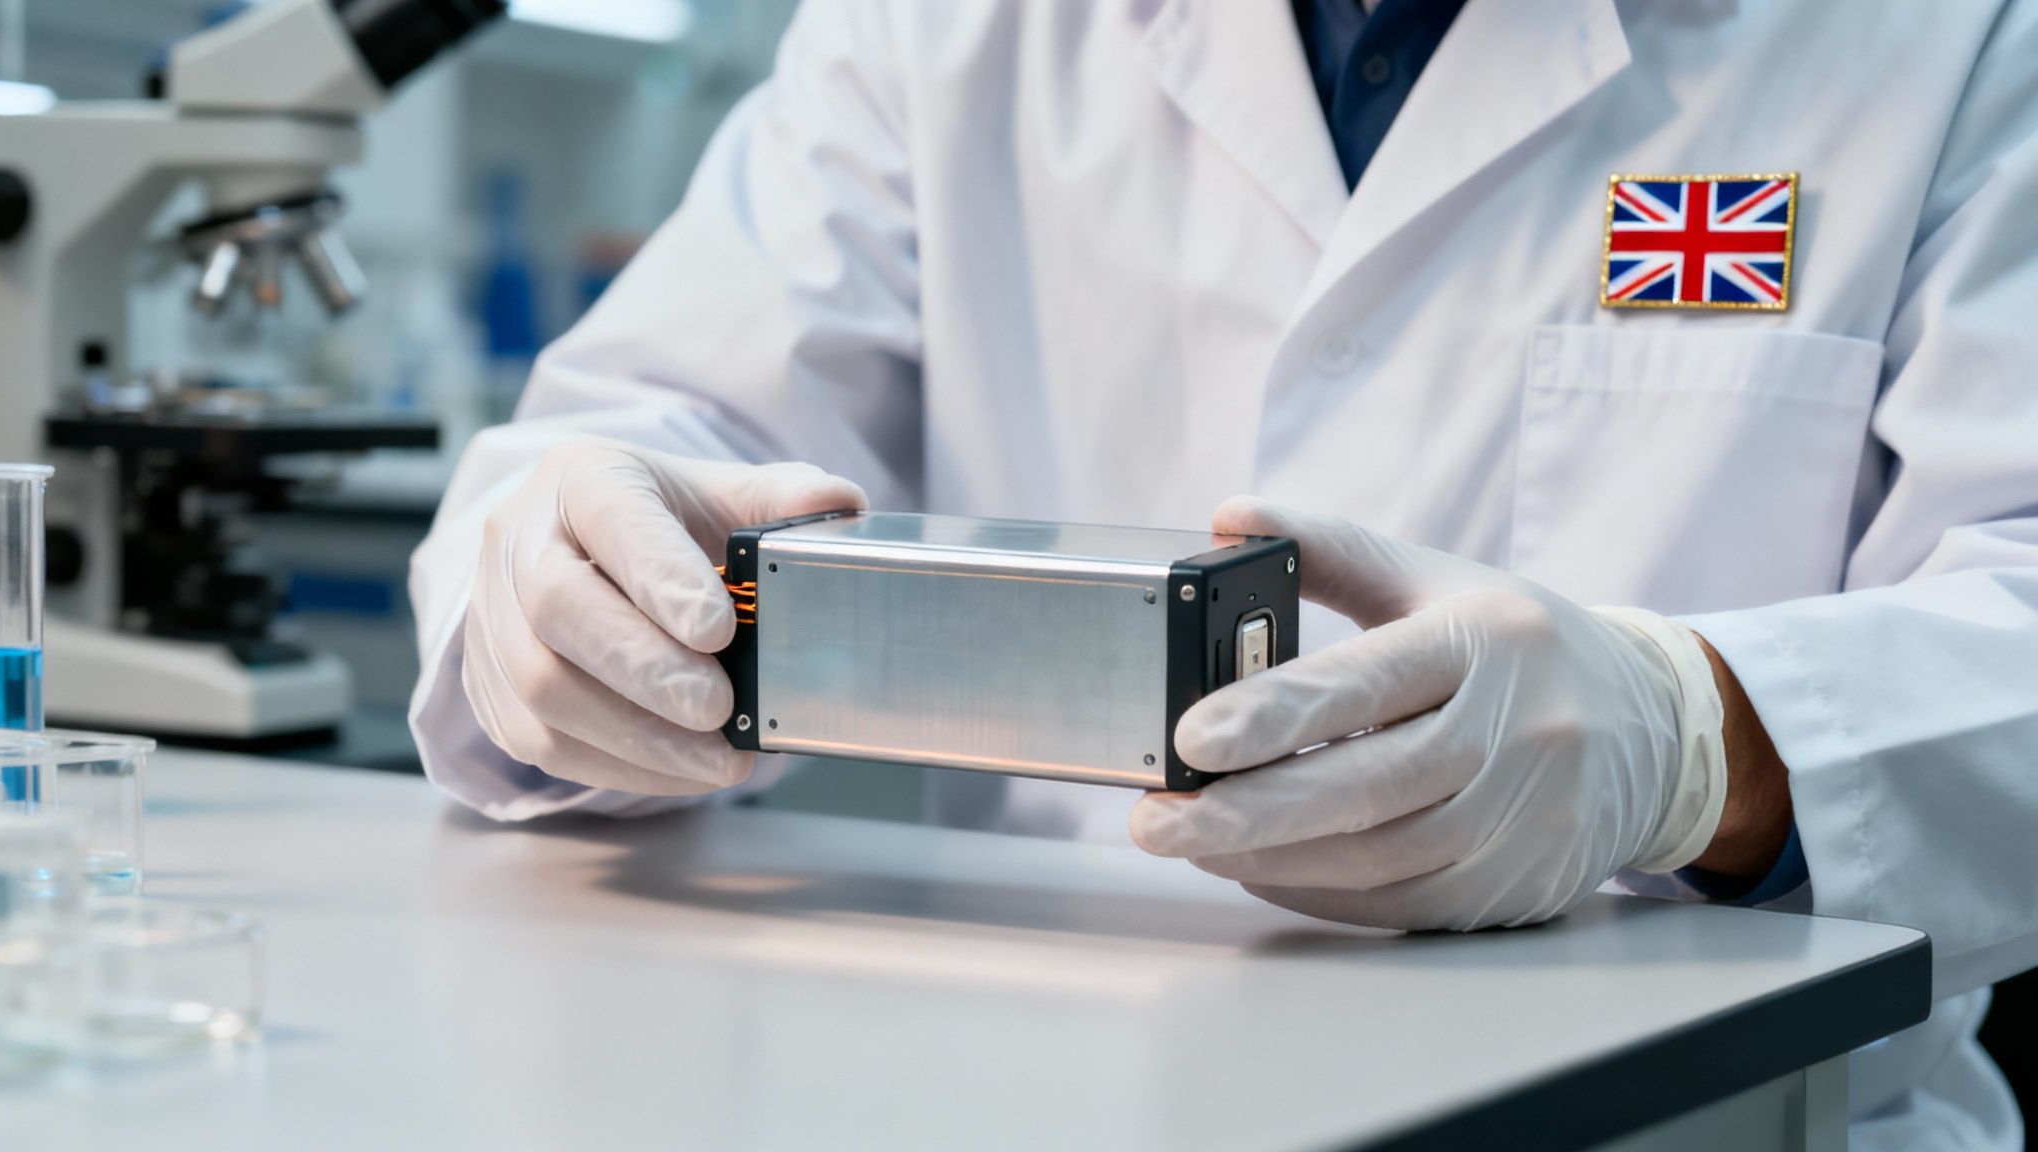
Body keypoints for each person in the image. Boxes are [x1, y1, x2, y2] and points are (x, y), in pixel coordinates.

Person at [407, 2, 2038, 1147]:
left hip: (1716, 1123)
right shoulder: (937, 29)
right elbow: (649, 424)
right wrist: (550, 596)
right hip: (1042, 1086)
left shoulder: (1951, 34)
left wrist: (1699, 744)